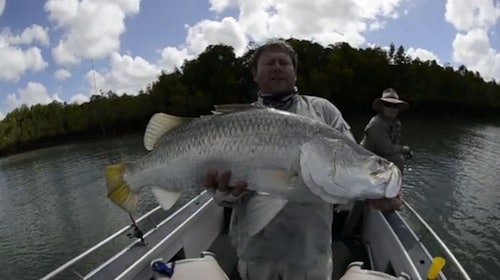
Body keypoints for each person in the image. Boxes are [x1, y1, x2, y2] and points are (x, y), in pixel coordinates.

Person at [204, 39, 398, 280]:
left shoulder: (324, 111)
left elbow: (348, 163)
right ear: (255, 73)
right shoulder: (235, 121)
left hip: (310, 251)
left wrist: (372, 193)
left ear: (295, 72)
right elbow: (223, 197)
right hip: (256, 251)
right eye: (269, 62)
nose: (277, 67)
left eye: (284, 62)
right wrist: (224, 193)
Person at [360, 88, 412, 173]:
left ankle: (395, 183)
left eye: (395, 106)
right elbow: (386, 148)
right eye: (388, 105)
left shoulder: (397, 123)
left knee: (399, 158)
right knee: (398, 159)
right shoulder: (377, 123)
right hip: (366, 158)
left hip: (380, 156)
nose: (392, 109)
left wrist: (404, 151)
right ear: (382, 107)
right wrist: (404, 149)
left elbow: (394, 145)